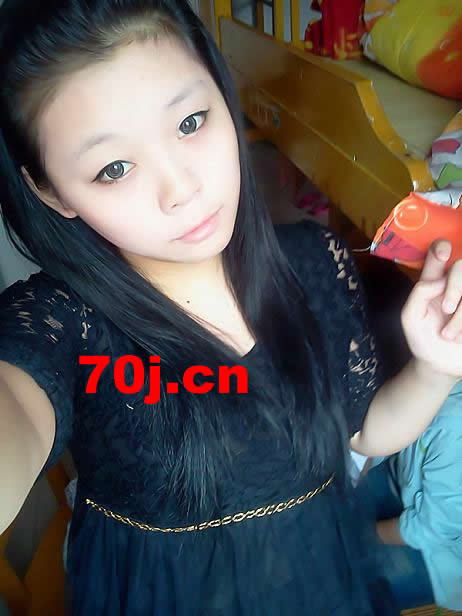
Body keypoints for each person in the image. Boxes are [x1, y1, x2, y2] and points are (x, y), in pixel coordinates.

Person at [1, 1, 462, 614]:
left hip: (319, 576)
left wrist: (434, 368)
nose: (182, 188)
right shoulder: (65, 324)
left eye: (191, 122)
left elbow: (362, 433)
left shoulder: (315, 262)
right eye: (114, 168)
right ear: (51, 191)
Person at [356, 379, 462, 611]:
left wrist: (361, 536)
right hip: (403, 486)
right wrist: (366, 454)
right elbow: (399, 428)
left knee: (344, 582)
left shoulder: (456, 426)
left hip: (436, 559)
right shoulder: (446, 389)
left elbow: (432, 530)